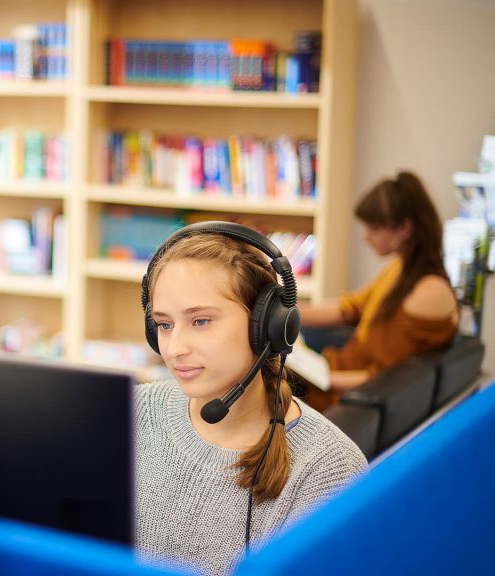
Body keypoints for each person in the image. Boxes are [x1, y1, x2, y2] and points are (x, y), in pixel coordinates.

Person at [136, 222, 366, 575]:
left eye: (200, 321)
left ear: (267, 328)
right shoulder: (134, 413)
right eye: (164, 325)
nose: (175, 349)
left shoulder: (329, 469)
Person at [299, 171, 458, 408]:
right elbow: (350, 308)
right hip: (336, 369)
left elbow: (384, 377)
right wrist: (289, 311)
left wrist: (317, 379)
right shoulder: (399, 268)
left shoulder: (427, 294)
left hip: (341, 393)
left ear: (404, 229)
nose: (366, 237)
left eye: (374, 228)